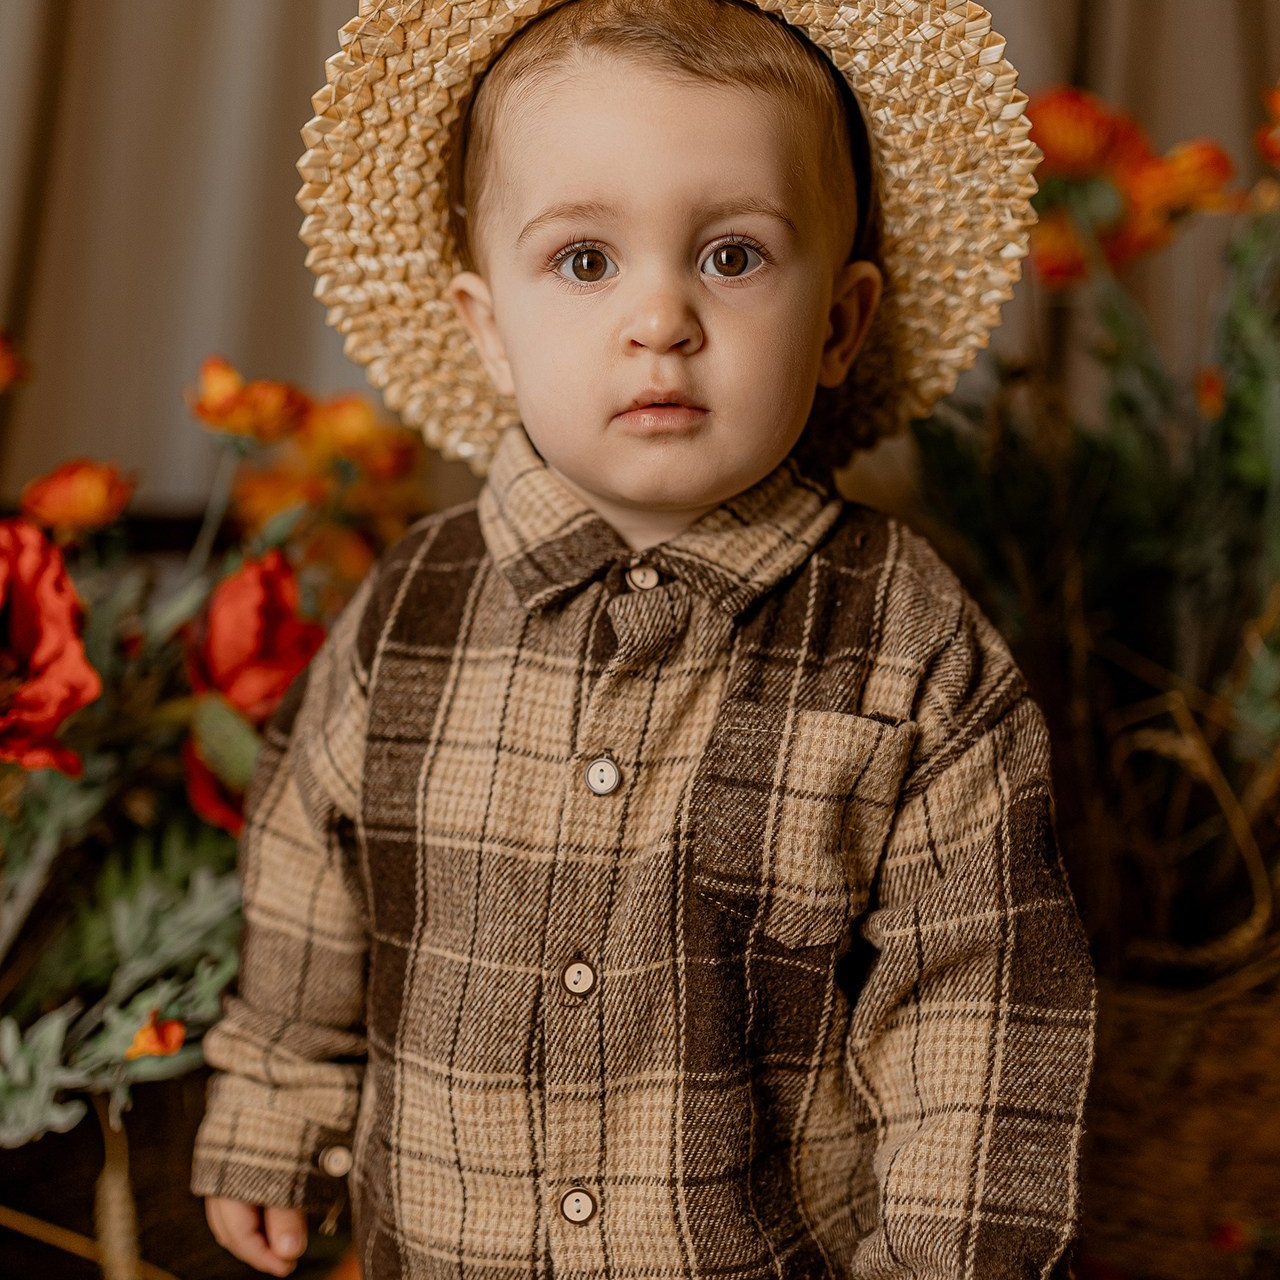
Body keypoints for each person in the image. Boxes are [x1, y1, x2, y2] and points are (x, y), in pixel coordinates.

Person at [190, 1, 1099, 1277]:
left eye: (731, 256)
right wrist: (277, 1100)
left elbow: (974, 990)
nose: (660, 316)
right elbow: (307, 865)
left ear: (838, 324)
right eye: (583, 261)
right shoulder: (413, 606)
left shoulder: (908, 640)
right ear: (487, 327)